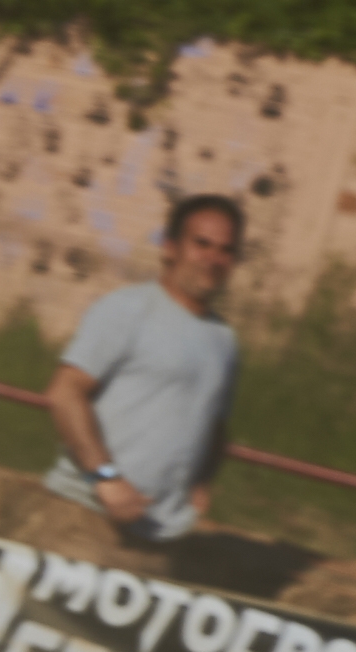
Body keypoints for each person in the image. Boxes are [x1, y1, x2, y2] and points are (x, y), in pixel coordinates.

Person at [43, 194, 243, 543]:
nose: (213, 259)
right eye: (201, 244)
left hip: (160, 534)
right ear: (170, 247)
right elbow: (65, 393)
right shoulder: (128, 310)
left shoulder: (224, 342)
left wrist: (201, 483)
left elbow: (214, 425)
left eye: (225, 250)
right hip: (83, 514)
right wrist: (105, 478)